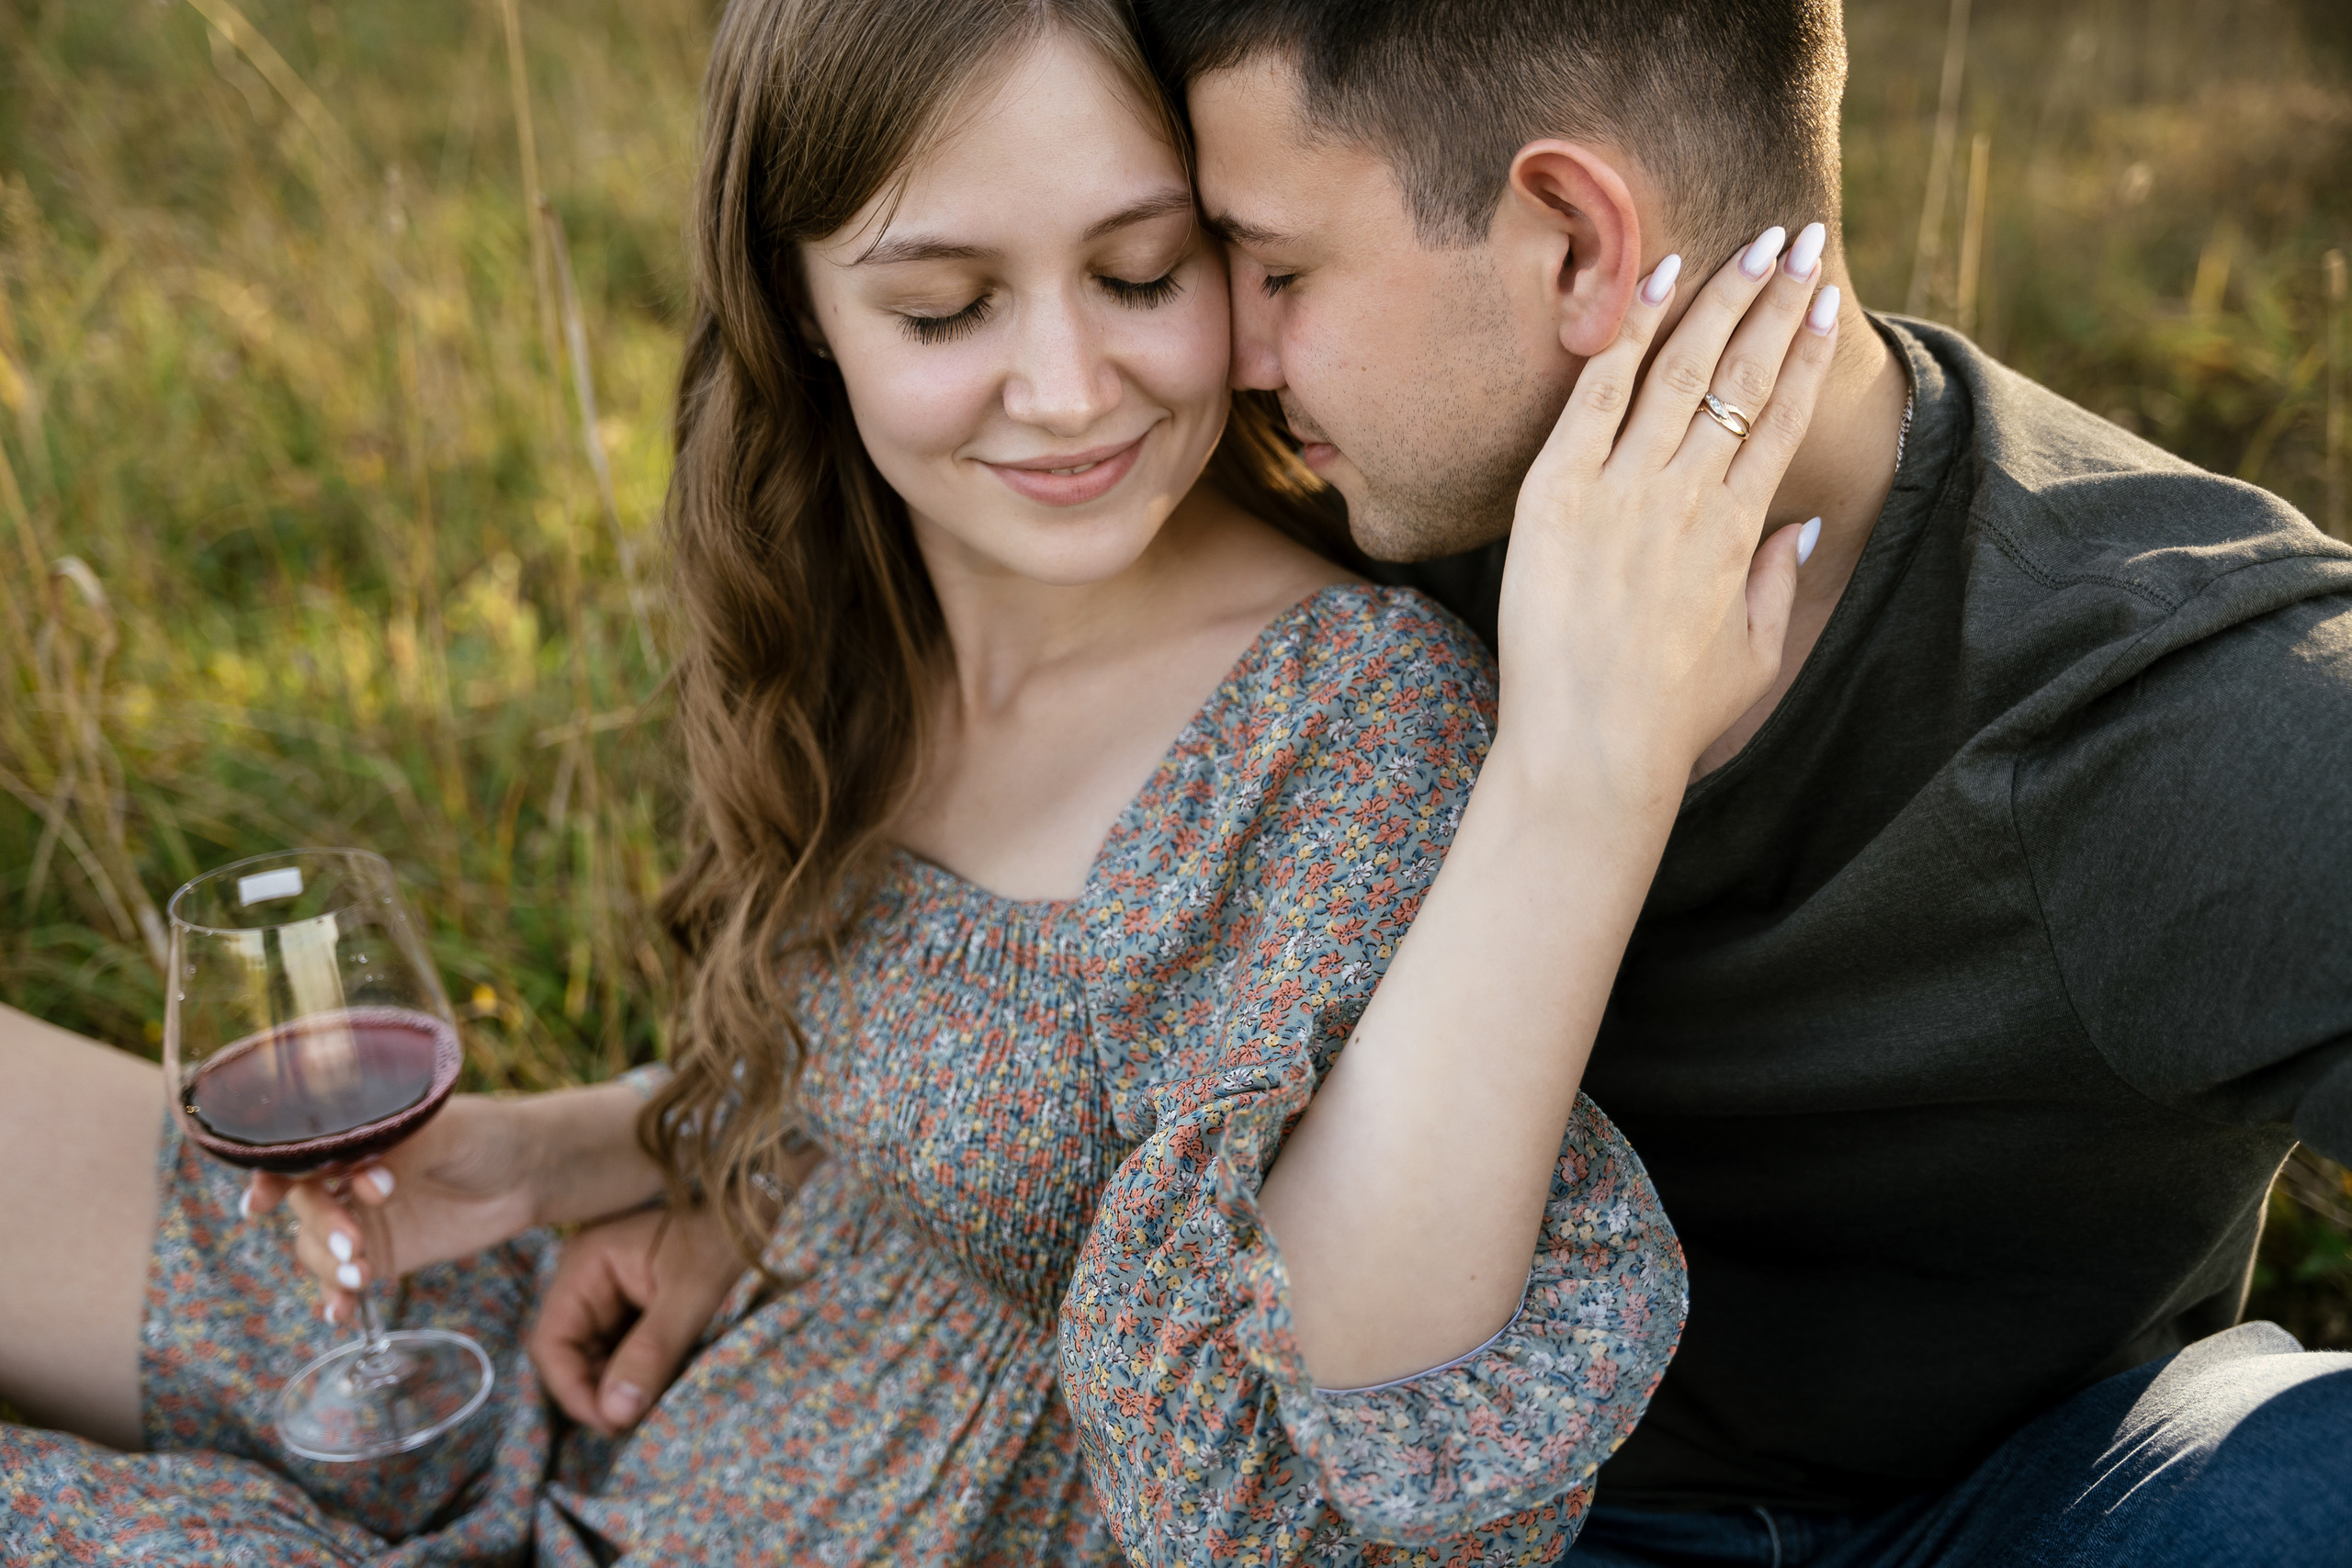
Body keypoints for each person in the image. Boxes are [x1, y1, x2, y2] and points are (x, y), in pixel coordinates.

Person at [0, 0, 1846, 1562]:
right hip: (650, 1394)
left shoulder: (1342, 734)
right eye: (944, 307)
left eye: (1142, 272)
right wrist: (587, 1147)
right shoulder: (864, 599)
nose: (1062, 390)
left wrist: (1579, 772)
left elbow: (1287, 1493)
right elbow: (948, 1080)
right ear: (802, 307)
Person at [1133, 1, 2352, 1564]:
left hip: (2040, 1516)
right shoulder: (1316, 567)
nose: (1233, 352)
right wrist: (1577, 760)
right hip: (1513, 1526)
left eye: (1282, 271)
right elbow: (1266, 1429)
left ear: (1574, 243)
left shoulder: (2153, 687)